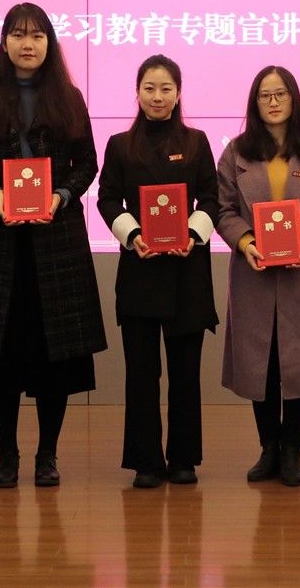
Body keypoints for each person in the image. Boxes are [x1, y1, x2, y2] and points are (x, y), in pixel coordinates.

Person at [0, 2, 107, 488]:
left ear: (49, 44)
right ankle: (7, 455)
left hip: (55, 242)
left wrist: (62, 196)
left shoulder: (69, 98)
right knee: (1, 354)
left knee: (53, 355)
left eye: (37, 36)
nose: (27, 44)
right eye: (18, 35)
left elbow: (88, 162)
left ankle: (47, 455)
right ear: (3, 43)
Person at [97, 55, 220, 489]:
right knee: (142, 374)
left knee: (185, 374)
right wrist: (132, 235)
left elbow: (211, 196)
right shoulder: (119, 144)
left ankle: (184, 459)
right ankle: (146, 461)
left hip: (187, 269)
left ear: (179, 93)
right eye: (149, 88)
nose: (157, 96)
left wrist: (193, 233)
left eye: (166, 88)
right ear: (137, 92)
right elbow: (107, 198)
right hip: (140, 269)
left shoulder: (197, 141)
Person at [217, 66, 300, 486]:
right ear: (254, 103)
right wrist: (245, 241)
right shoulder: (236, 152)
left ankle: (293, 451)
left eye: (280, 94)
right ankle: (268, 447)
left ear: (294, 99)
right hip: (253, 273)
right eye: (264, 95)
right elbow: (223, 210)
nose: (272, 102)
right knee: (263, 363)